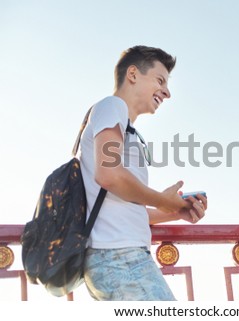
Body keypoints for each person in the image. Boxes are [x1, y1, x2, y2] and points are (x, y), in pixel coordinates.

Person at [79, 45, 207, 301]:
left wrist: (174, 211)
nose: (167, 92)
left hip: (119, 257)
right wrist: (162, 199)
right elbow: (108, 175)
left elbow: (121, 208)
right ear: (133, 74)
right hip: (119, 258)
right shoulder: (112, 105)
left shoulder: (124, 126)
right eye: (160, 80)